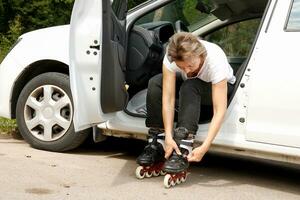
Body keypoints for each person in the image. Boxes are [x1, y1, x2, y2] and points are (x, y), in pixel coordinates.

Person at [136, 32, 236, 182]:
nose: (187, 71)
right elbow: (168, 99)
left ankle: (184, 144)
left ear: (200, 55)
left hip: (218, 89)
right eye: (181, 67)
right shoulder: (172, 57)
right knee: (156, 83)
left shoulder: (215, 60)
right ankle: (158, 141)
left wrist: (205, 146)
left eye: (190, 65)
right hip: (192, 86)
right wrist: (169, 135)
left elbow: (219, 110)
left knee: (190, 84)